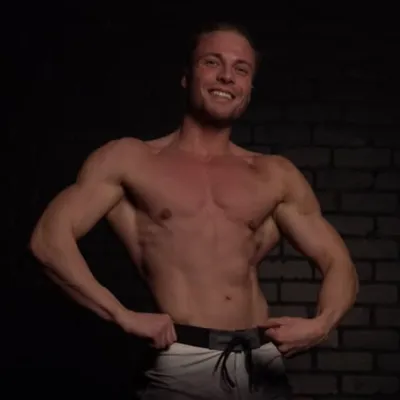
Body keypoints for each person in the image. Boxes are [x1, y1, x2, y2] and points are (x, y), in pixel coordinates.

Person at [29, 21, 359, 400]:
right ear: (187, 76)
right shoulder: (130, 159)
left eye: (241, 69)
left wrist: (322, 323)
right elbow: (48, 241)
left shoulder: (275, 174)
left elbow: (338, 262)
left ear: (249, 88)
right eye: (212, 62)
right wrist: (120, 314)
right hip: (185, 360)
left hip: (261, 362)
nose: (226, 76)